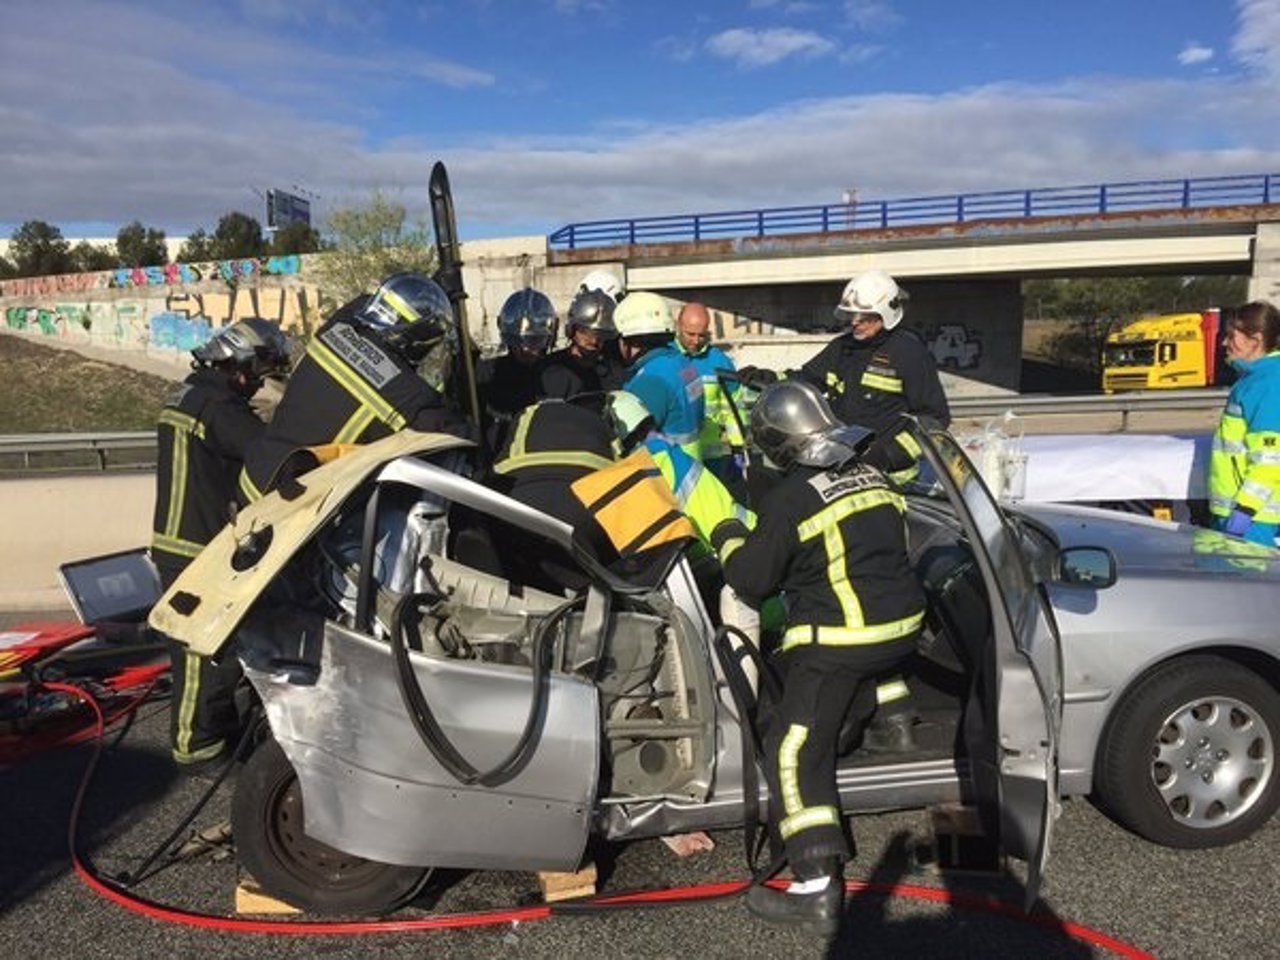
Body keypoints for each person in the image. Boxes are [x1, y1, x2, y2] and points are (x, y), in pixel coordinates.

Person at [709, 379, 926, 937]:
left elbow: (751, 578)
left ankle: (816, 885)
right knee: (870, 665)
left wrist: (729, 534)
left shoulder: (792, 499)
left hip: (845, 641)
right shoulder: (872, 472)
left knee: (793, 748)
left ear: (777, 444)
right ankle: (896, 722)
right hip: (904, 629)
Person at [151, 317, 292, 769]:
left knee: (207, 647)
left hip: (182, 540)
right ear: (237, 362)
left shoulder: (192, 394)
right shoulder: (218, 407)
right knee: (203, 653)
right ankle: (195, 747)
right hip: (194, 545)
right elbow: (266, 451)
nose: (257, 384)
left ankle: (216, 731)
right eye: (256, 372)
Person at [241, 272, 471, 500]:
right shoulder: (407, 394)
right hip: (279, 503)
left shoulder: (338, 326)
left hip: (253, 473)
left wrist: (426, 291)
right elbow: (461, 435)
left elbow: (362, 302)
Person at [740, 270, 949, 476]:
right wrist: (772, 380)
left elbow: (934, 420)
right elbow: (807, 381)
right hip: (841, 465)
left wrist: (889, 455)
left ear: (886, 314)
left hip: (893, 477)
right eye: (852, 315)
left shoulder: (909, 353)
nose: (854, 322)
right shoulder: (842, 348)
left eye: (863, 316)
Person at [489, 396, 619, 591]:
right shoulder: (598, 423)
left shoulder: (526, 415)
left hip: (521, 499)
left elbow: (498, 455)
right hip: (588, 505)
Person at [1208, 300, 1280, 546]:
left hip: (1251, 519)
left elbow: (1271, 459)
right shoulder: (1254, 380)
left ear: (1255, 340)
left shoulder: (1267, 384)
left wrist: (1245, 510)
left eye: (1231, 336)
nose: (1224, 343)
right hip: (1238, 514)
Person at [614, 291, 706, 460]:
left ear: (628, 340)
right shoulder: (683, 364)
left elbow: (627, 443)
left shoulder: (649, 380)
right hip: (690, 464)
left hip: (664, 471)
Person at [477, 287, 556, 453]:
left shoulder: (558, 377)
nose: (525, 349)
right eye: (517, 341)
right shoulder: (488, 374)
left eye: (534, 341)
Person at [676, 302, 746, 487]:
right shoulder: (666, 358)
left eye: (702, 335)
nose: (696, 341)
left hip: (712, 458)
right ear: (679, 326)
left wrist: (738, 448)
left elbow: (734, 408)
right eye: (690, 334)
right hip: (677, 454)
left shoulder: (720, 361)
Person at [538, 287, 625, 399]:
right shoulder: (551, 369)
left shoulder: (614, 373)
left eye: (601, 334)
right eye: (586, 332)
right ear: (572, 330)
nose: (593, 341)